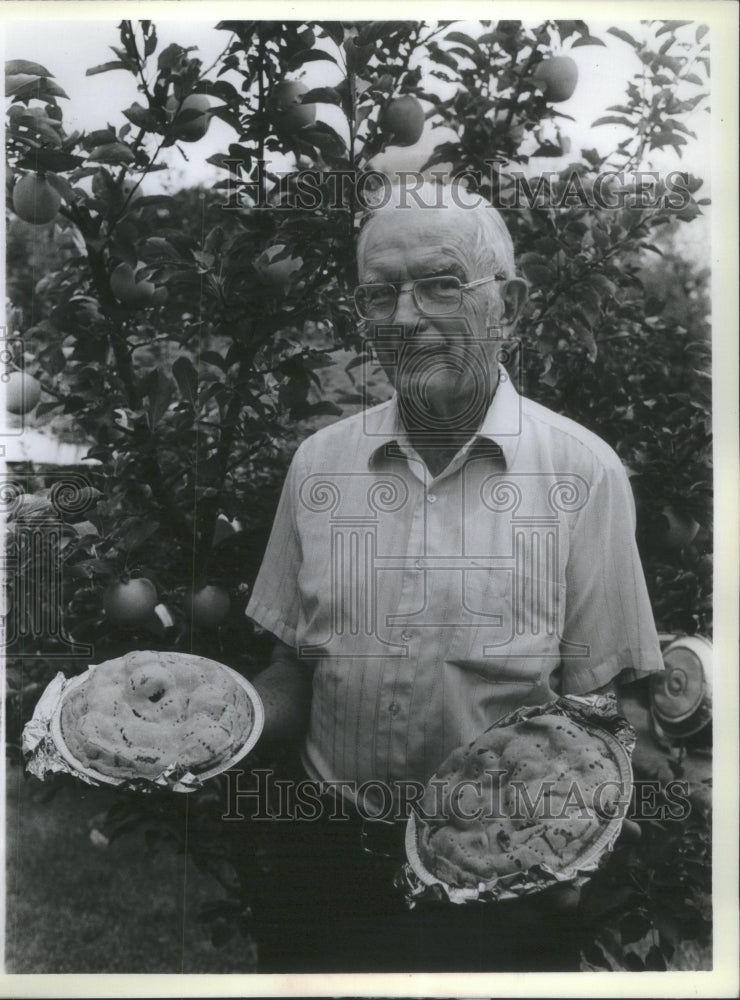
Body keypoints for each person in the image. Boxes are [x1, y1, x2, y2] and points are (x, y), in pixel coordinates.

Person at [240, 183, 669, 973]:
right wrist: (216, 731)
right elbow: (294, 667)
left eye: (441, 284)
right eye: (380, 293)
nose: (405, 318)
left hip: (499, 886)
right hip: (325, 873)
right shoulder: (319, 465)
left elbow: (611, 710)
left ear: (508, 302)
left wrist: (575, 843)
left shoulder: (583, 475)